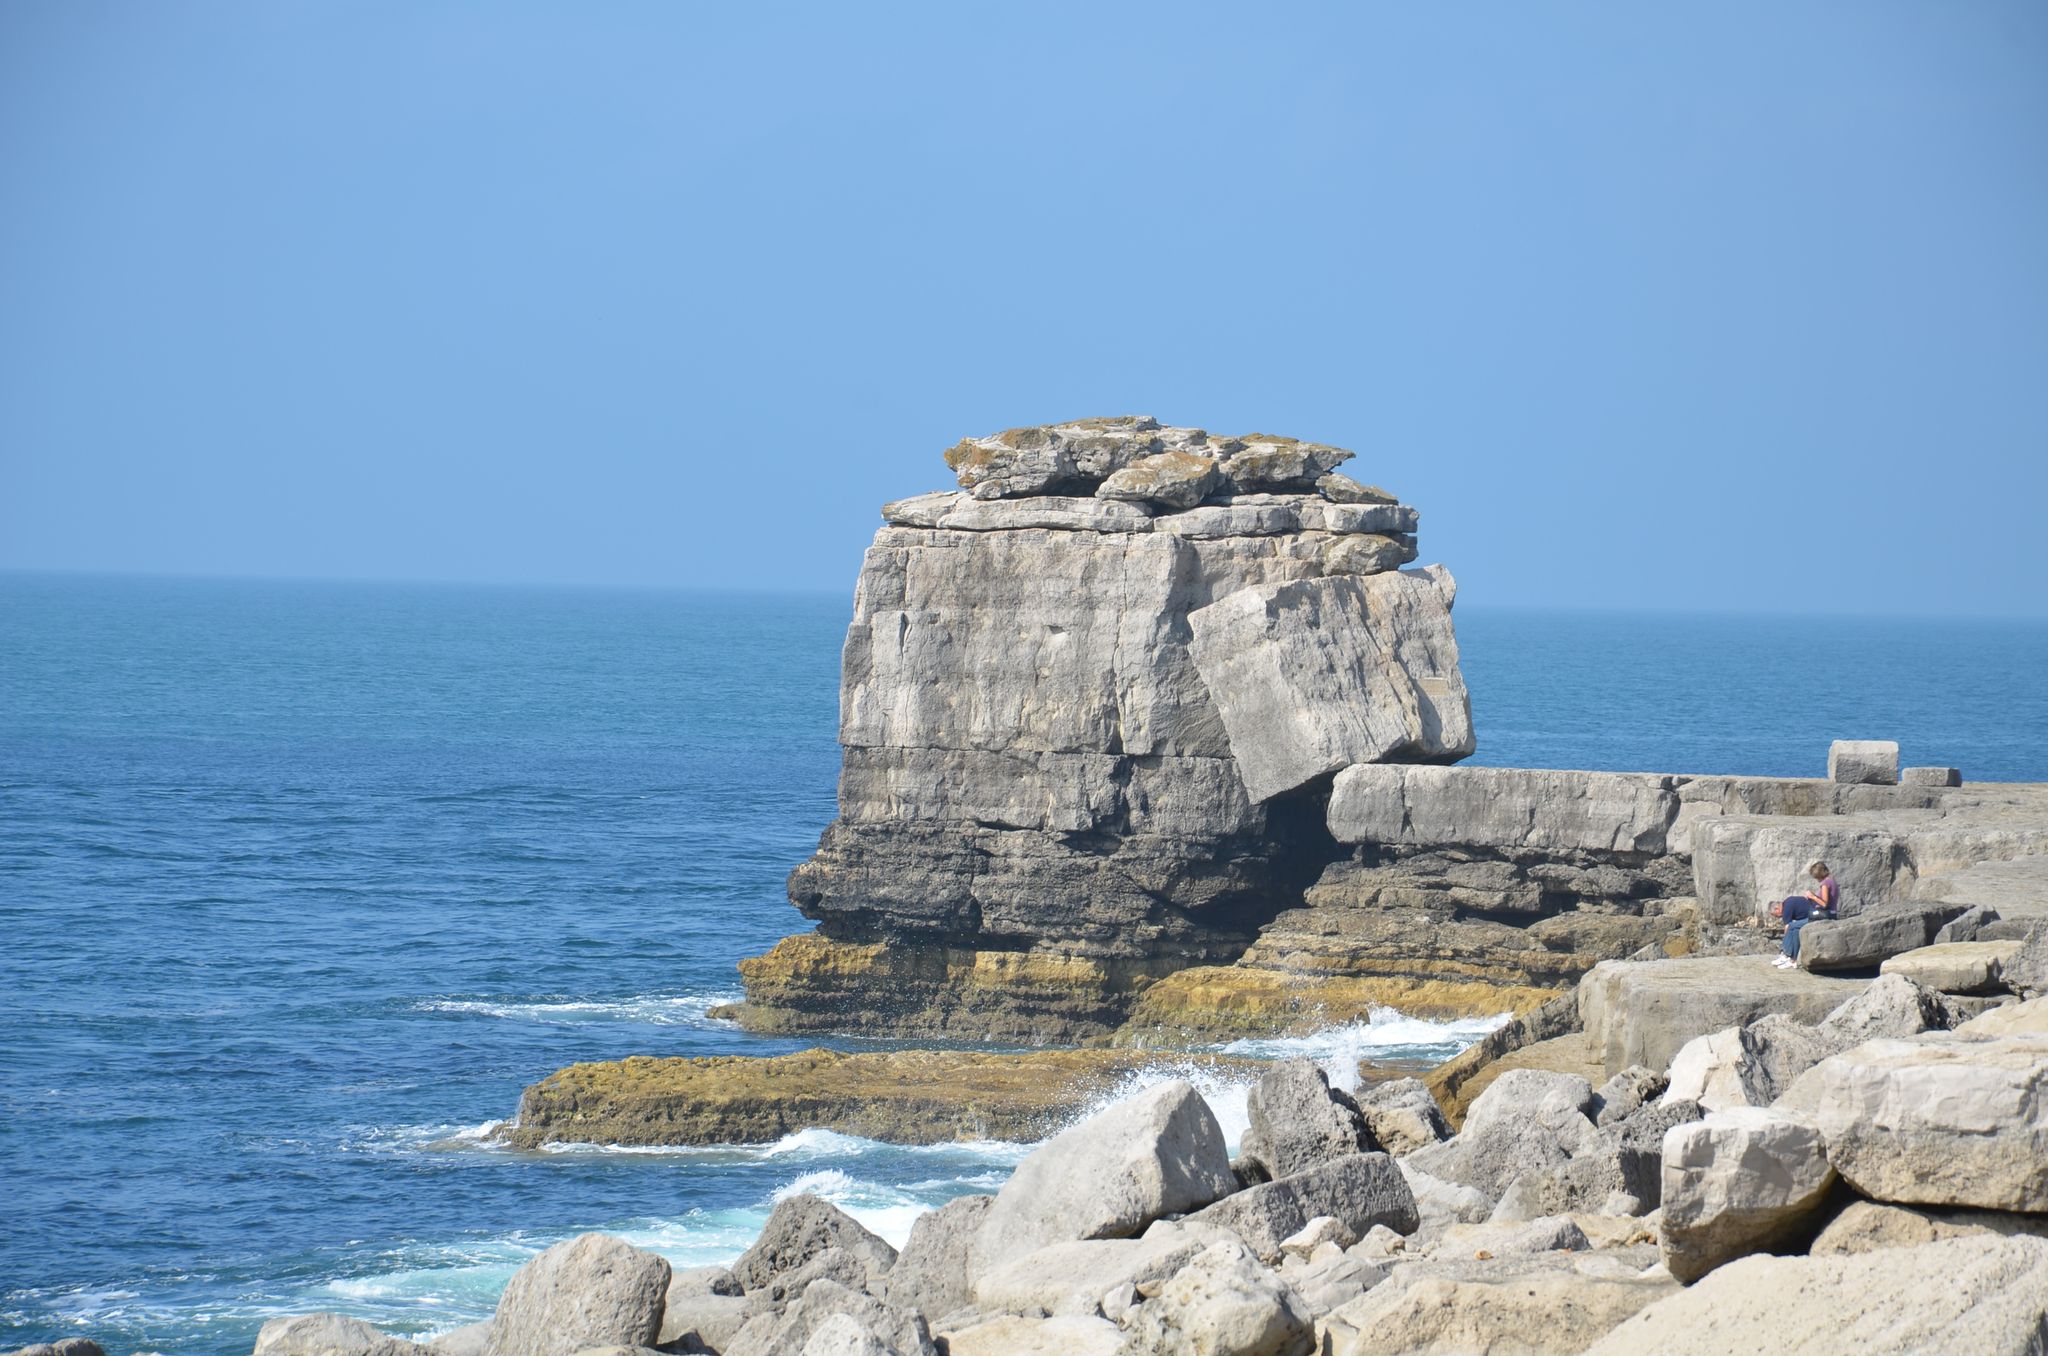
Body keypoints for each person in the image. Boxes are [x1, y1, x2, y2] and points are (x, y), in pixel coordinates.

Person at [1772, 860, 1840, 969]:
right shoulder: (1831, 881)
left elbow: (1825, 903)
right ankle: (1792, 959)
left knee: (1792, 926)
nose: (1816, 879)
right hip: (1826, 914)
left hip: (1823, 915)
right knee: (1796, 928)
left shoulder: (1825, 884)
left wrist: (1812, 896)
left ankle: (1787, 955)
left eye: (1816, 876)